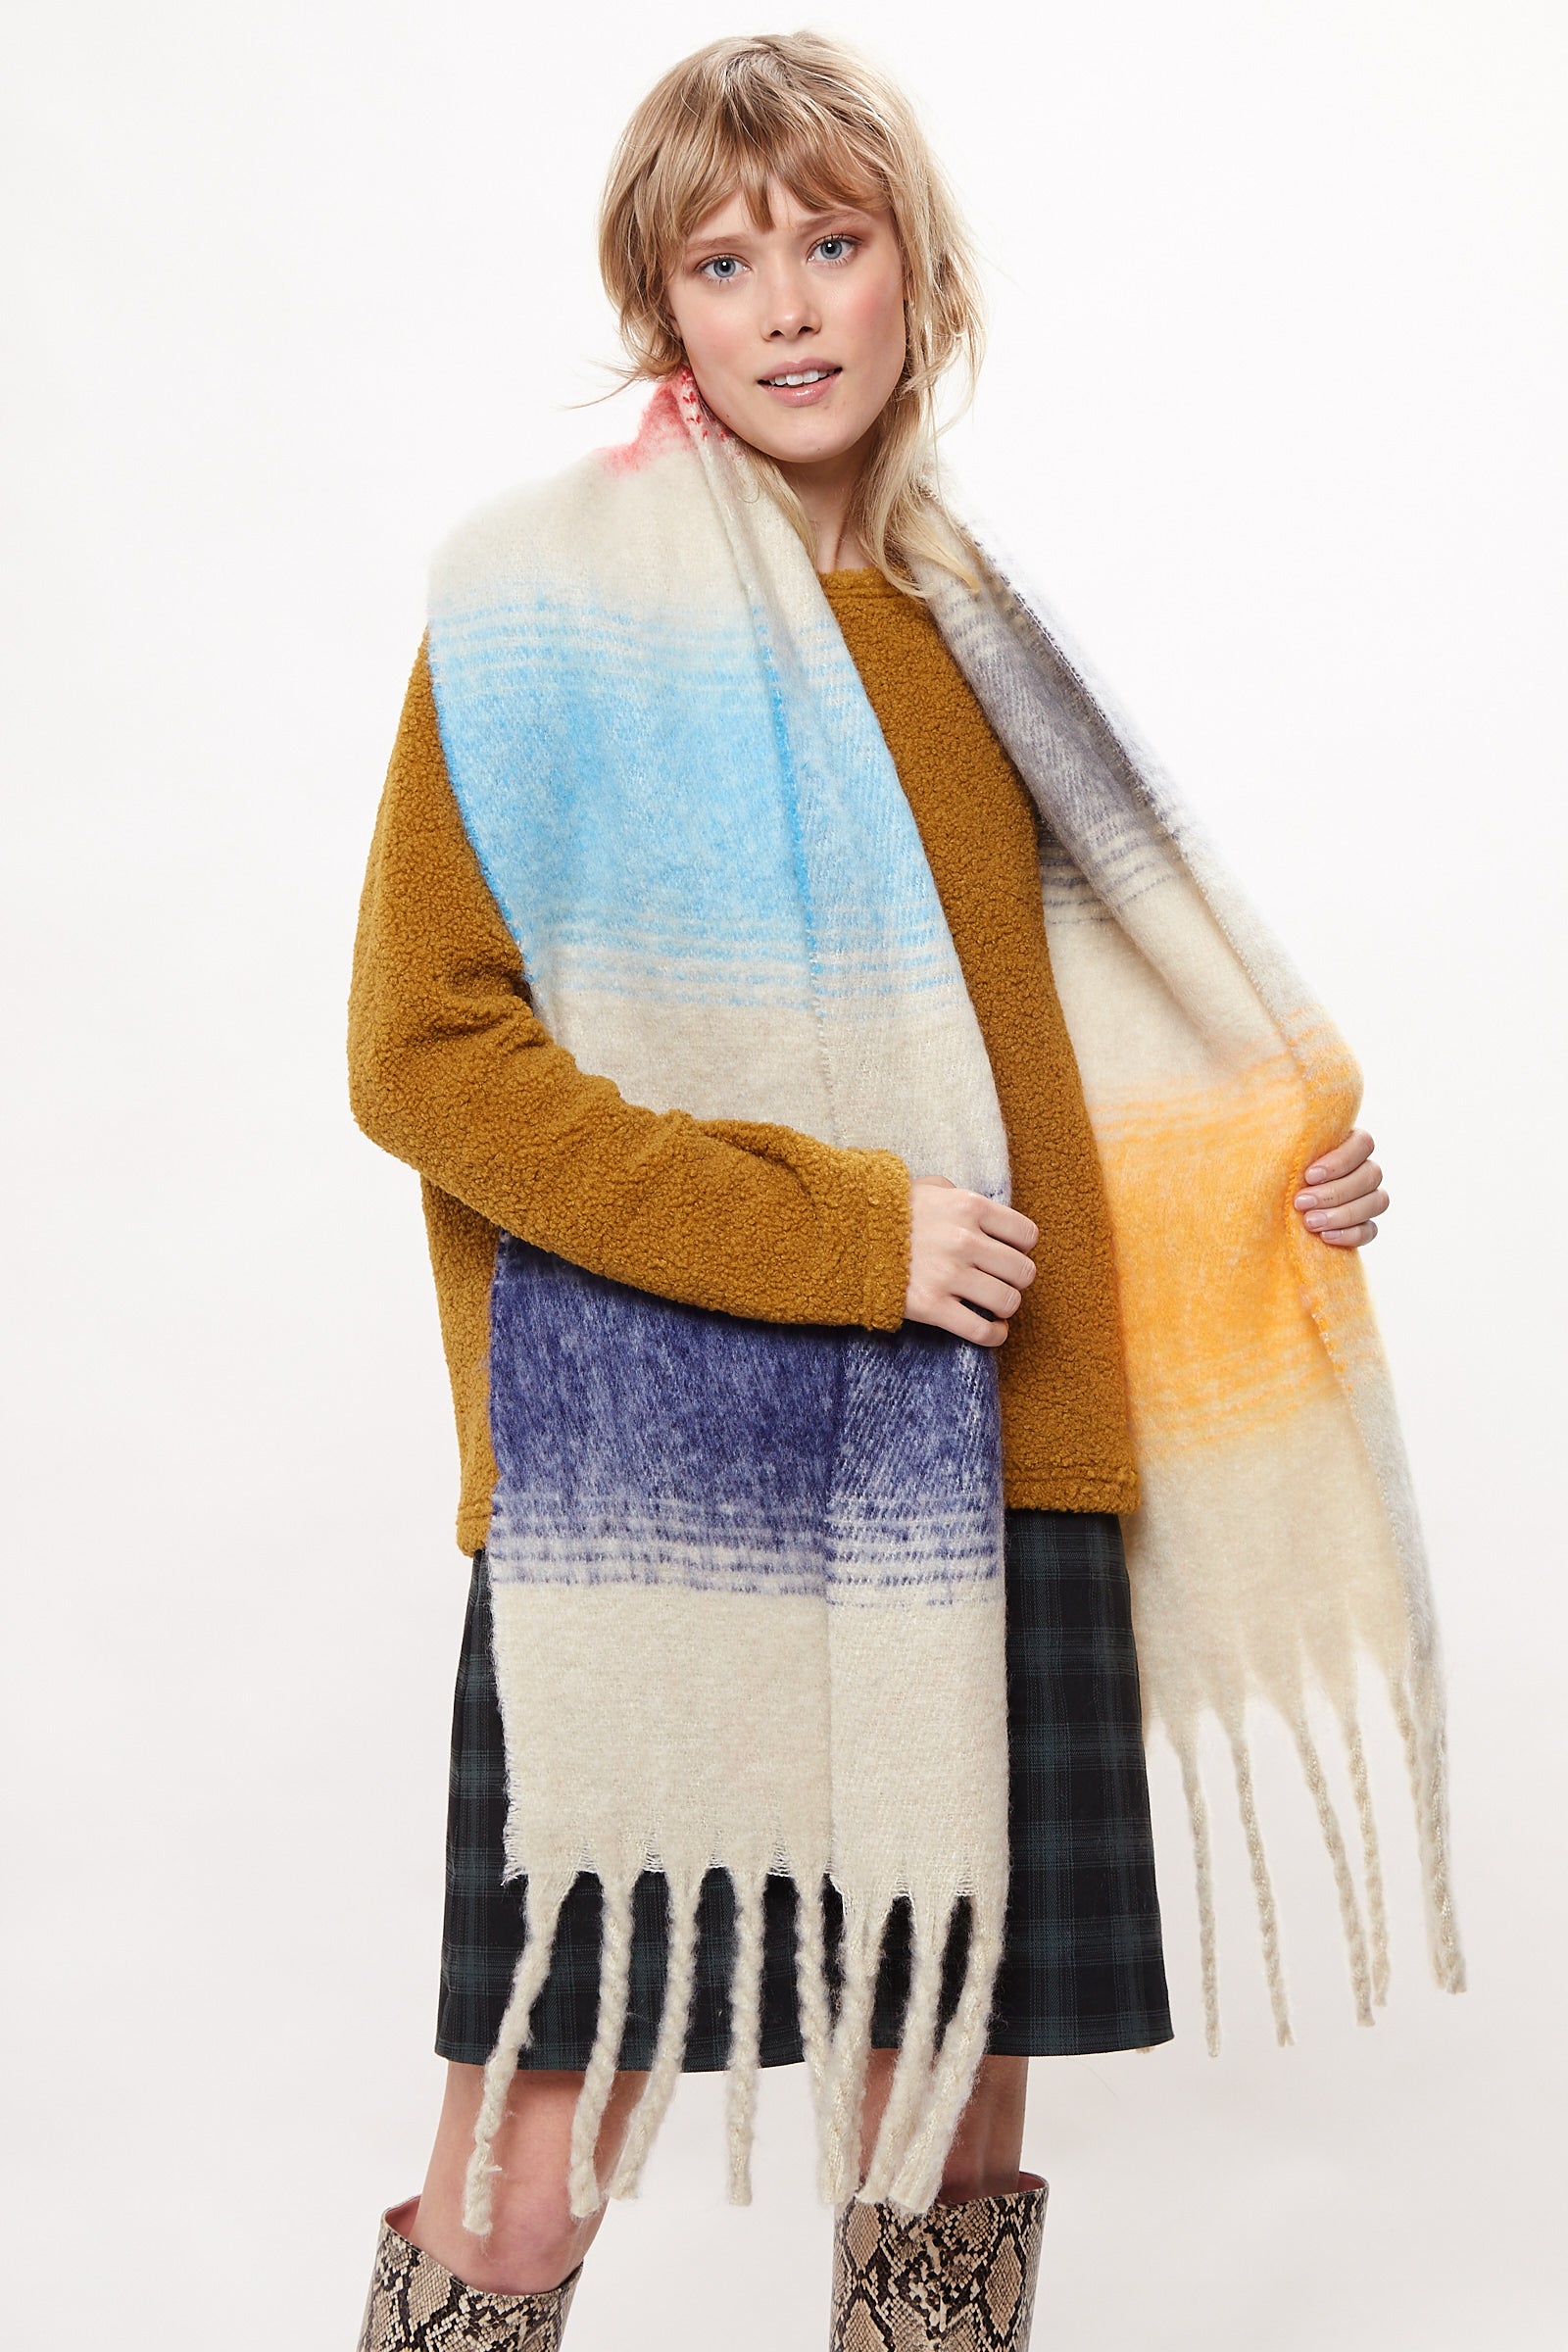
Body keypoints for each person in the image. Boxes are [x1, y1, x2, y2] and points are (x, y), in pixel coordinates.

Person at [347, 31, 1449, 2352]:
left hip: (994, 1465)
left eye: (826, 243)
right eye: (718, 261)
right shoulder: (535, 615)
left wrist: (1253, 1178)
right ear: (659, 308)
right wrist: (836, 1240)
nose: (780, 306)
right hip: (667, 1496)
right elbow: (425, 1060)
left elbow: (1047, 1060)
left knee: (935, 2172)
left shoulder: (981, 642)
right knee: (517, 2187)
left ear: (912, 275)